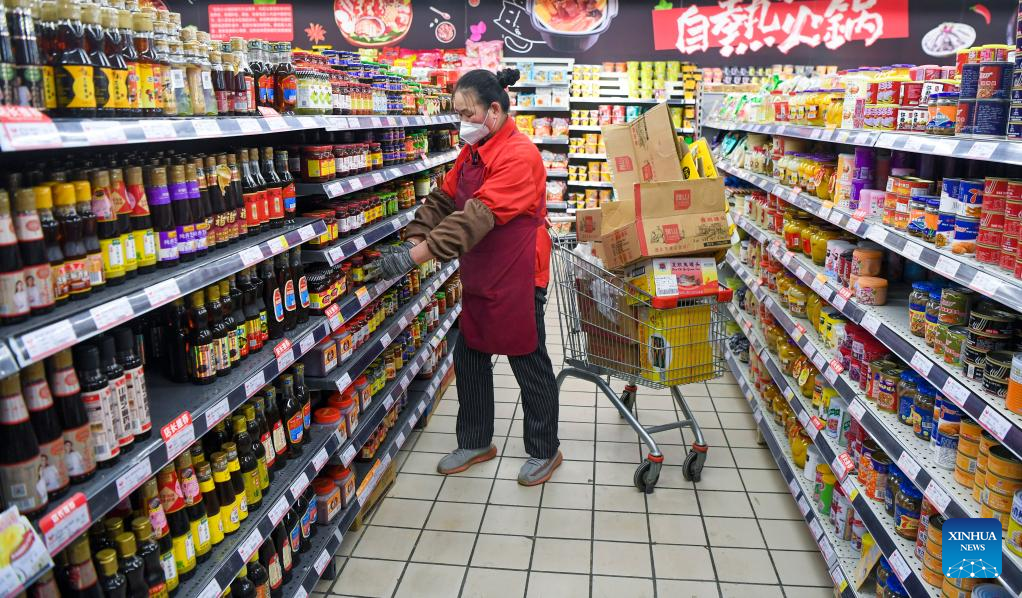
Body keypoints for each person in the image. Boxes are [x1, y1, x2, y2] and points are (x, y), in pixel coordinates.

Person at [378, 68, 561, 486]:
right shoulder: (472, 152)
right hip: (482, 270)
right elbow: (443, 199)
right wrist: (414, 237)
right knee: (470, 354)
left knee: (528, 359)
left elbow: (475, 217)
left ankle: (544, 449)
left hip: (519, 273)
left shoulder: (519, 155)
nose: (462, 122)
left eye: (467, 113)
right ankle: (476, 441)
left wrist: (415, 258)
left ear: (493, 110)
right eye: (457, 113)